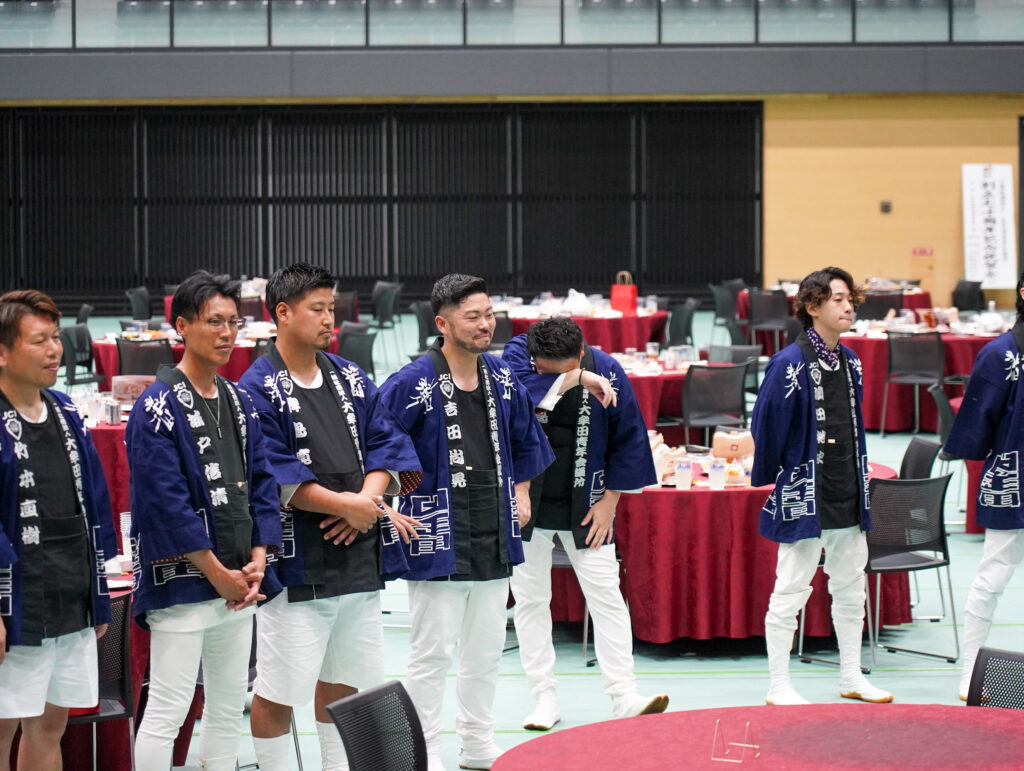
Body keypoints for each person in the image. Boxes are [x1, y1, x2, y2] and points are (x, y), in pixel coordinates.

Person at [239, 263, 423, 770]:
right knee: (279, 691)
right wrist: (348, 506)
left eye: (331, 308)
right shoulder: (257, 387)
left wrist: (365, 501)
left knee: (345, 683)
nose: (329, 319)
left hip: (357, 557)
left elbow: (387, 440)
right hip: (298, 564)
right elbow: (271, 469)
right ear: (283, 313)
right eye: (316, 309)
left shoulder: (349, 375)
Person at [378, 274, 553, 771]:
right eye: (473, 316)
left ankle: (476, 743)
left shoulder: (500, 375)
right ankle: (425, 751)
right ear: (442, 323)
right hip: (438, 530)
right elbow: (376, 446)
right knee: (431, 654)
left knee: (486, 651)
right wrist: (384, 505)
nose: (485, 324)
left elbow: (526, 438)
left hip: (494, 527)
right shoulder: (411, 383)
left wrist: (521, 490)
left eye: (489, 314)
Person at [128, 271, 282, 771]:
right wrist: (217, 574)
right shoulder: (155, 406)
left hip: (239, 579)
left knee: (227, 703)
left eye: (233, 322)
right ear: (182, 327)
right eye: (214, 322)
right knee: (169, 708)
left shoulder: (239, 400)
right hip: (184, 581)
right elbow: (164, 504)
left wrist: (258, 558)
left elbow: (263, 483)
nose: (227, 333)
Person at [502, 318, 668, 730]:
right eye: (545, 372)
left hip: (588, 501)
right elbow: (515, 406)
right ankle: (543, 697)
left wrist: (611, 501)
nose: (552, 379)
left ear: (580, 352)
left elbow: (629, 438)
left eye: (564, 371)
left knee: (606, 595)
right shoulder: (516, 357)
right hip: (528, 501)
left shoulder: (608, 368)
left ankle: (624, 695)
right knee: (530, 600)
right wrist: (574, 378)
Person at [751, 267, 893, 706]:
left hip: (848, 490)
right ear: (812, 307)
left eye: (850, 299)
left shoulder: (851, 361)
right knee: (790, 589)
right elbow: (766, 427)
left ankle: (851, 676)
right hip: (806, 492)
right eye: (837, 299)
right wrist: (787, 474)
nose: (848, 307)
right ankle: (778, 685)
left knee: (850, 588)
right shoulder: (787, 363)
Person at [0, 290, 118, 771]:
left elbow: (95, 504)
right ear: (2, 352)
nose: (54, 350)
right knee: (2, 725)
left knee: (50, 725)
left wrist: (97, 595)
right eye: (39, 340)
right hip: (16, 600)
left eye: (56, 337)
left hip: (70, 594)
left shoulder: (67, 412)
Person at [945, 269, 1024, 700]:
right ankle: (971, 671)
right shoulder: (1000, 354)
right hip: (1014, 476)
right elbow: (978, 421)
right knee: (992, 577)